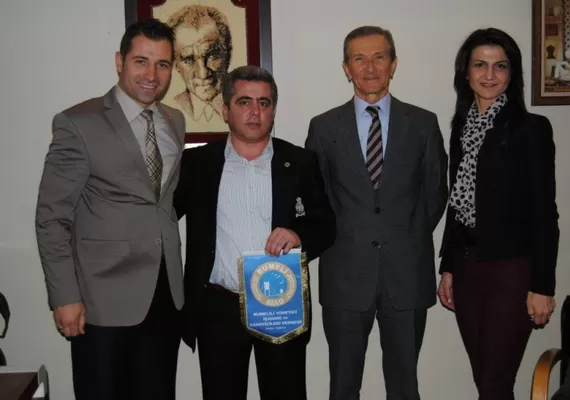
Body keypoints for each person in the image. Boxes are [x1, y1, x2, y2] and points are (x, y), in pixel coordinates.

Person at [35, 19, 185, 400]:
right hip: (100, 302)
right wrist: (64, 296)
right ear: (120, 61)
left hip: (164, 297)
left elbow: (160, 201)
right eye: (141, 61)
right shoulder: (78, 123)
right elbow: (52, 217)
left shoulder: (175, 121)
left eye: (163, 64)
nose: (152, 75)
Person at [174, 65, 335, 400]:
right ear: (226, 110)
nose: (254, 112)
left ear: (273, 110)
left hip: (280, 304)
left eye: (264, 103)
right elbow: (162, 216)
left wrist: (298, 235)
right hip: (218, 306)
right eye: (244, 102)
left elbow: (326, 223)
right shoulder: (198, 164)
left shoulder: (300, 161)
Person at [305, 26, 448, 400]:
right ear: (347, 68)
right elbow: (317, 199)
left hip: (407, 276)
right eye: (359, 58)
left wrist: (403, 236)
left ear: (393, 64)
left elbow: (435, 195)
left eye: (379, 57)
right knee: (343, 387)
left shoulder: (423, 124)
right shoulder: (323, 127)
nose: (370, 67)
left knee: (405, 387)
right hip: (345, 278)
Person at [437, 28, 559, 400]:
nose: (489, 75)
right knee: (487, 379)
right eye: (480, 65)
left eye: (500, 66)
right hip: (467, 268)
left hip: (511, 272)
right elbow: (457, 203)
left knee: (494, 382)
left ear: (512, 73)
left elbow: (545, 212)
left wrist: (542, 287)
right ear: (466, 72)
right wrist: (449, 266)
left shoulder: (531, 129)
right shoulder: (461, 128)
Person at [167, 5, 231, 123]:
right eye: (188, 60)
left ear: (228, 55)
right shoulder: (168, 109)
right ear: (175, 65)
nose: (203, 74)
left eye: (212, 56)